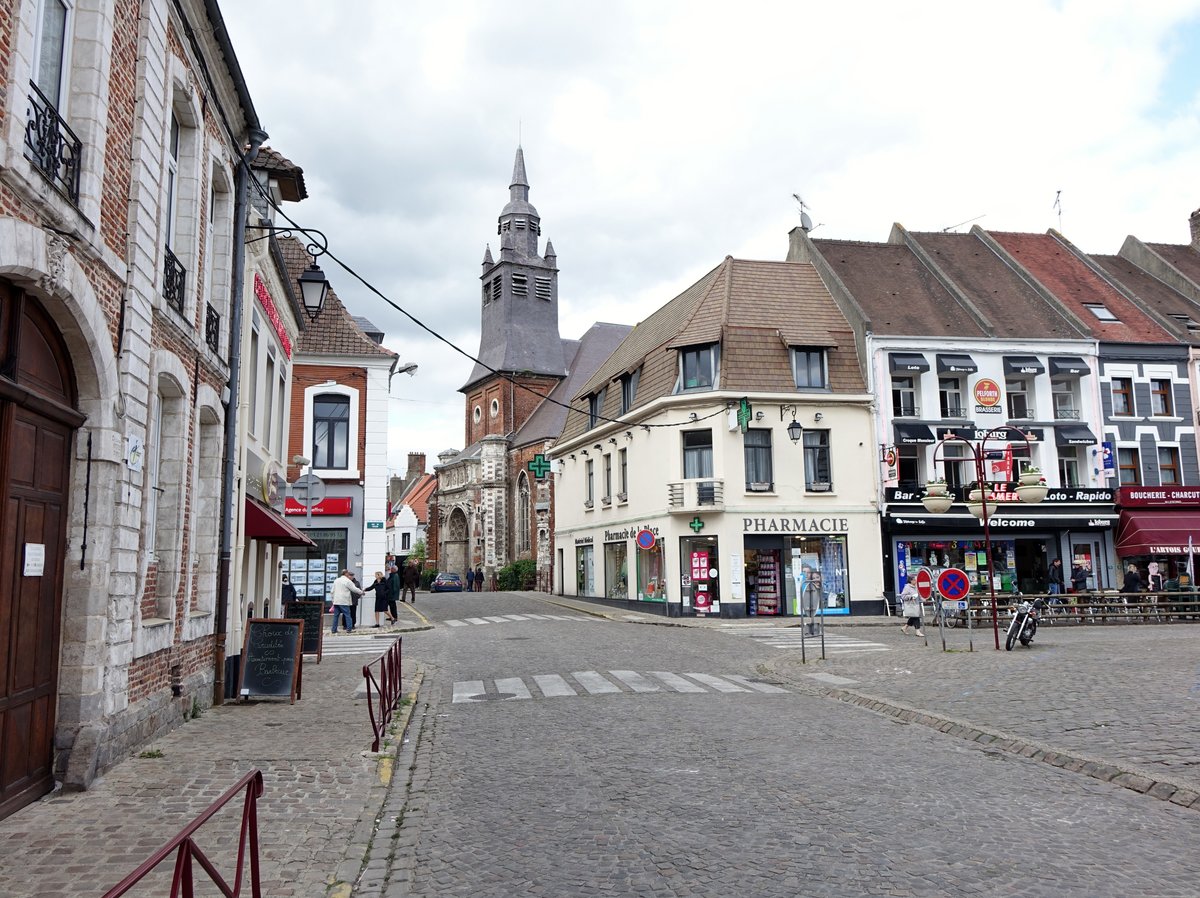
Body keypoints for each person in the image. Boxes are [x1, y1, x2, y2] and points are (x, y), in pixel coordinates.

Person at [330, 570, 363, 634]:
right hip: (344, 601)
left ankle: (333, 629)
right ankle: (349, 629)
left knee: (336, 616)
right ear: (346, 574)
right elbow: (354, 589)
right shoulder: (347, 581)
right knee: (347, 615)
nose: (349, 575)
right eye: (348, 573)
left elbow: (332, 591)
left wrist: (333, 600)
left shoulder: (336, 580)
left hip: (336, 601)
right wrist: (361, 592)